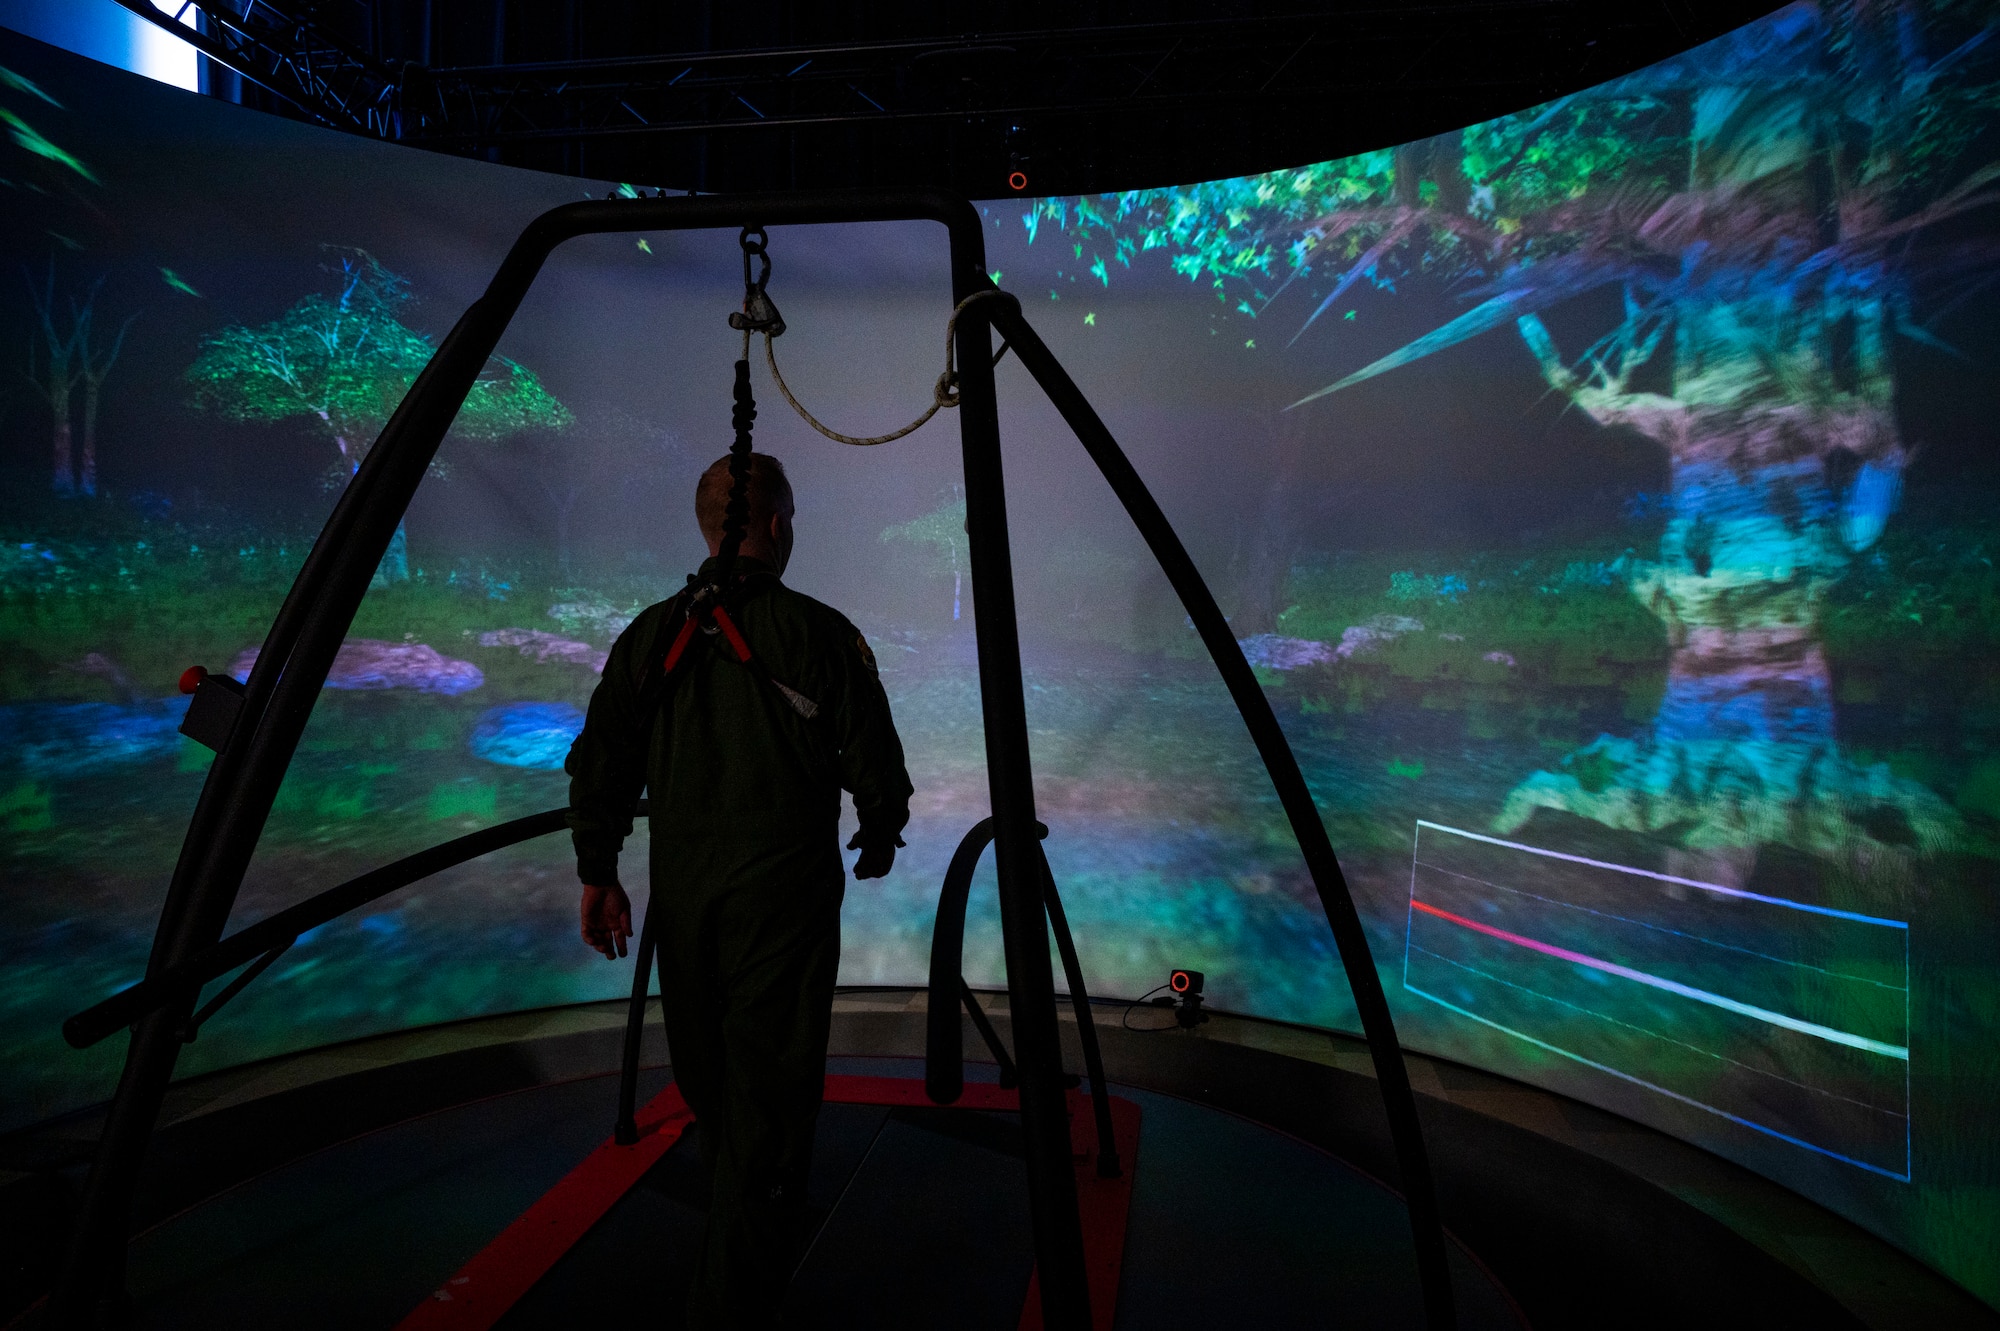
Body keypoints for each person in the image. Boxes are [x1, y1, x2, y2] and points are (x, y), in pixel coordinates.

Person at [565, 452, 913, 1327]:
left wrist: (598, 872)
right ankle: (733, 1298)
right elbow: (879, 768)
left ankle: (739, 1226)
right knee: (767, 1106)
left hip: (683, 910)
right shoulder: (821, 634)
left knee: (714, 1089)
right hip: (783, 913)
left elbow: (597, 765)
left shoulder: (648, 637)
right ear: (780, 525)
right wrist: (876, 837)